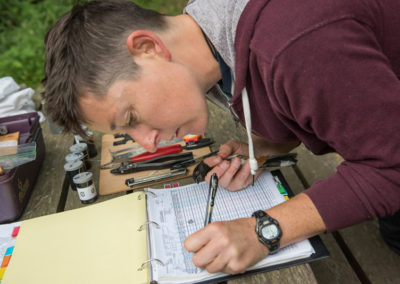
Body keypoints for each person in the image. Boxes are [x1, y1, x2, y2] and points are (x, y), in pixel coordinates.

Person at [42, 0, 400, 274]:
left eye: (131, 117)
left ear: (149, 48)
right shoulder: (210, 41)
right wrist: (263, 146)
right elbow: (308, 99)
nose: (147, 143)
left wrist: (264, 230)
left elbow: (392, 167)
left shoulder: (294, 43)